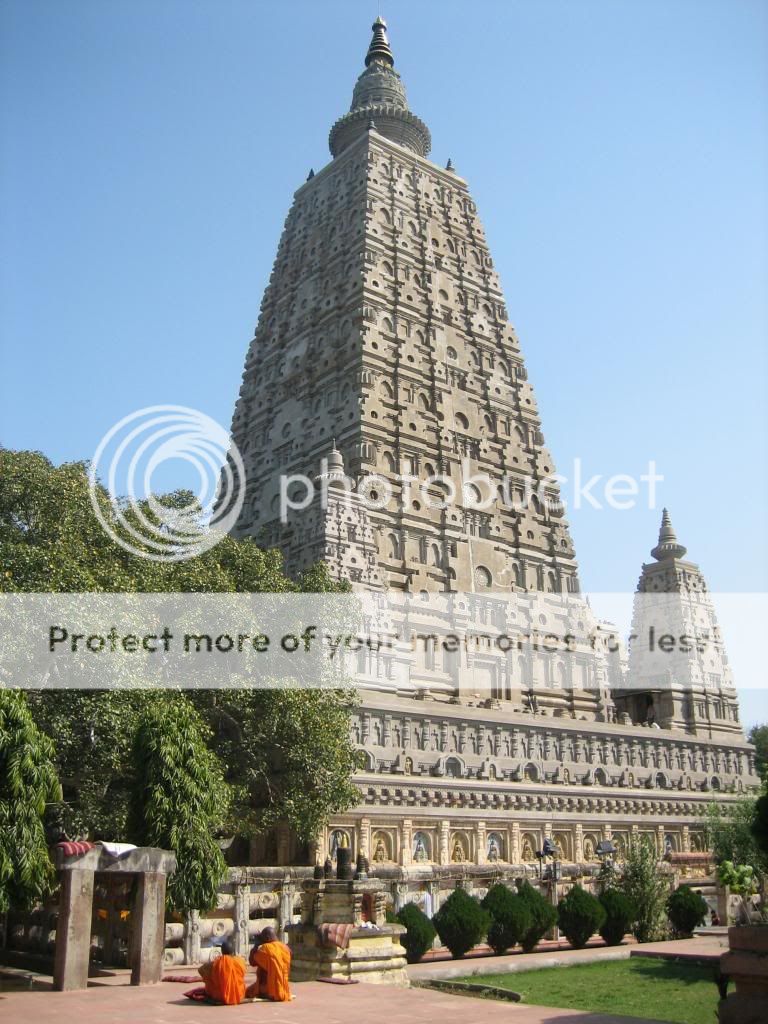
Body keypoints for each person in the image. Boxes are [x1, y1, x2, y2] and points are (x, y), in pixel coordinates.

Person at [246, 926, 292, 1001]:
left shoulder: (266, 948)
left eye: (262, 938)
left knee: (248, 992)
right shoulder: (286, 948)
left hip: (269, 988)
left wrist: (256, 945)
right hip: (284, 988)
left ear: (267, 938)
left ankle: (269, 993)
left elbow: (252, 962)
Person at [196, 939, 246, 1005]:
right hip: (238, 994)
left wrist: (209, 977)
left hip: (220, 996)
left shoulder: (216, 963)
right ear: (233, 951)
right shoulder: (240, 961)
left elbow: (200, 970)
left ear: (222, 951)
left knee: (209, 979)